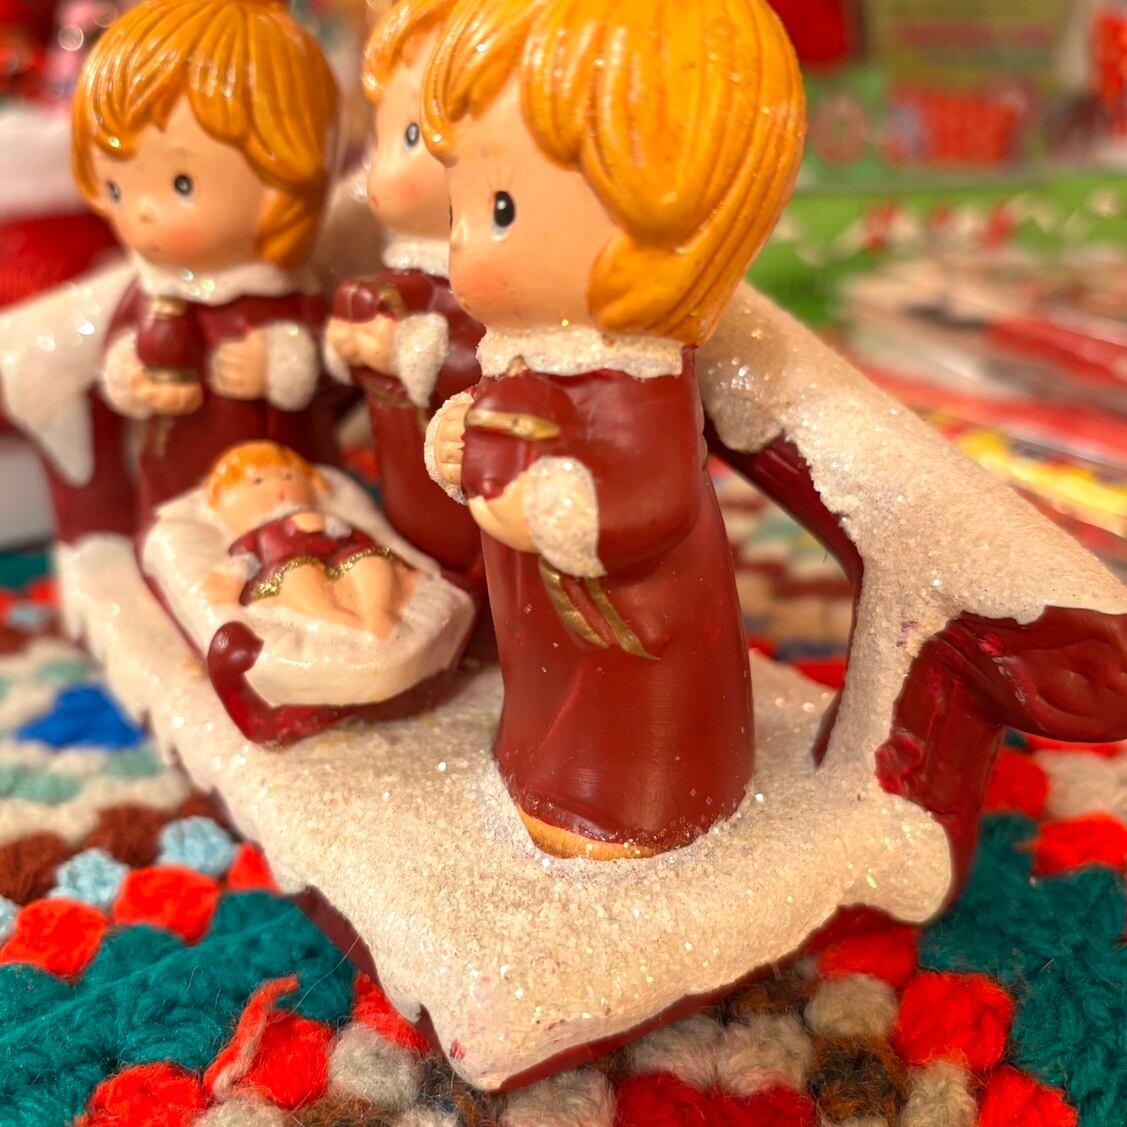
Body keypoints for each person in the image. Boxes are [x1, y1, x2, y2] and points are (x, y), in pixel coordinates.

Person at [423, 0, 805, 858]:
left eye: (502, 209)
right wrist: (456, 438)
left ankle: (628, 805)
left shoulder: (632, 377)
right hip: (544, 609)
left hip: (628, 618)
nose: (464, 254)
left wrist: (543, 505)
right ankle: (539, 768)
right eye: (460, 212)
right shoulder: (523, 348)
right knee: (542, 693)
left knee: (615, 718)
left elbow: (648, 498)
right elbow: (490, 420)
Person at [71, 0, 342, 526]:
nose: (143, 211)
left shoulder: (280, 294)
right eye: (116, 188)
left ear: (284, 178)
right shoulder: (152, 291)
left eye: (181, 184)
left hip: (289, 483)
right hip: (179, 483)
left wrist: (279, 363)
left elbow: (331, 371)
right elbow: (118, 354)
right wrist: (134, 376)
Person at [324, 0, 485, 578]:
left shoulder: (495, 280)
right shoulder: (401, 270)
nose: (381, 174)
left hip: (474, 489)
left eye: (413, 135)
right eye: (383, 138)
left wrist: (411, 348)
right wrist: (346, 348)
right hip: (404, 478)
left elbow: (495, 359)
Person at [203, 441, 417, 639]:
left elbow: (359, 539)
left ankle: (378, 611)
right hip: (287, 567)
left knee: (370, 561)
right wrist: (232, 581)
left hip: (339, 558)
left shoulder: (327, 518)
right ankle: (336, 618)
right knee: (296, 575)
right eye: (258, 481)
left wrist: (333, 527)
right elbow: (244, 561)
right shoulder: (258, 534)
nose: (279, 485)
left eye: (288, 476)